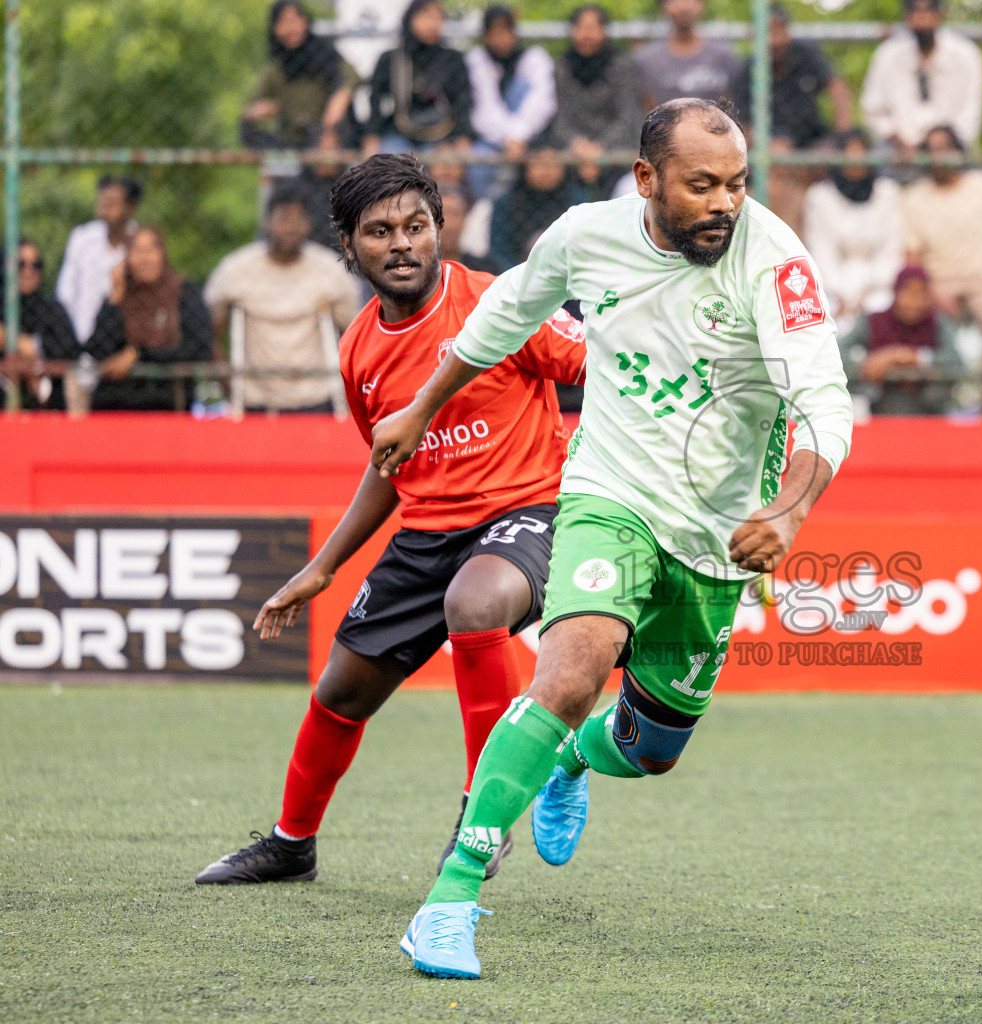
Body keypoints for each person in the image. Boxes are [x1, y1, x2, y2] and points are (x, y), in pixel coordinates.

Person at [368, 98, 852, 979]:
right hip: (609, 492)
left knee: (653, 749)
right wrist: (421, 405)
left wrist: (788, 511)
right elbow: (505, 315)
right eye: (702, 185)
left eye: (738, 183)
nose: (725, 203)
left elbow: (825, 401)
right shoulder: (586, 235)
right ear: (646, 180)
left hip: (718, 536)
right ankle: (451, 896)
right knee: (570, 669)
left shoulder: (773, 258)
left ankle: (573, 761)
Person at [194, 154, 588, 885]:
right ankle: (291, 844)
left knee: (474, 603)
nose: (401, 242)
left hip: (526, 514)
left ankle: (485, 813)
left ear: (440, 228)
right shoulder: (358, 351)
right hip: (426, 536)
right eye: (379, 231)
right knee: (340, 690)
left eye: (416, 225)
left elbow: (598, 369)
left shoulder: (500, 301)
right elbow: (389, 465)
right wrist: (322, 568)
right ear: (349, 247)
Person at [903, 125, 982, 416]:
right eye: (932, 150)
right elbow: (912, 258)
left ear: (960, 152)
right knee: (922, 322)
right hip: (937, 283)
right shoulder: (914, 197)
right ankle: (941, 403)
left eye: (945, 148)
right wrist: (931, 291)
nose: (939, 156)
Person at [203, 186, 361, 413]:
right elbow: (210, 334)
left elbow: (355, 336)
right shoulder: (235, 270)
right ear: (266, 222)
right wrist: (226, 383)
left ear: (309, 224)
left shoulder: (331, 271)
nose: (291, 227)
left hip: (317, 396)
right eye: (283, 218)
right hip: (254, 397)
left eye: (299, 218)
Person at [731, 3, 852, 233]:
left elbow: (837, 89)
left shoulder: (806, 54)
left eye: (779, 30)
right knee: (776, 171)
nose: (775, 40)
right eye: (767, 31)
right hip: (773, 156)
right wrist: (766, 143)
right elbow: (742, 129)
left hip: (813, 145)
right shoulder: (745, 71)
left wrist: (842, 136)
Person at [85, 227, 215, 412]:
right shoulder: (120, 297)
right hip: (116, 405)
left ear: (162, 254)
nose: (144, 258)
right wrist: (115, 296)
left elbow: (200, 349)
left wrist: (139, 356)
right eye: (137, 251)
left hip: (165, 403)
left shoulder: (183, 293)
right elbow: (97, 350)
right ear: (126, 258)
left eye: (151, 250)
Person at [802, 128, 906, 326]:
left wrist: (871, 289)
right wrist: (841, 294)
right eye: (850, 155)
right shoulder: (820, 195)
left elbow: (891, 247)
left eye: (861, 155)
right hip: (833, 286)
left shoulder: (888, 192)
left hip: (879, 286)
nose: (856, 162)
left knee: (881, 310)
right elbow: (820, 249)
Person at [860, 0, 982, 156]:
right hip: (897, 153)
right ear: (907, 17)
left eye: (927, 11)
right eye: (916, 12)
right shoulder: (888, 56)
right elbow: (873, 110)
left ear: (940, 15)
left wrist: (941, 142)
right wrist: (898, 140)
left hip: (951, 151)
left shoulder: (966, 56)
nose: (922, 19)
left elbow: (970, 114)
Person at [840, 264, 962, 415]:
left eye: (921, 294)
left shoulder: (937, 324)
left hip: (928, 412)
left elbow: (957, 362)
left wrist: (914, 357)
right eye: (908, 293)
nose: (914, 301)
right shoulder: (873, 322)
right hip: (881, 410)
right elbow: (836, 353)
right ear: (896, 292)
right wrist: (869, 364)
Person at [550, 5, 644, 198]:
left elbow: (627, 116)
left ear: (604, 31)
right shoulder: (562, 67)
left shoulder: (620, 66)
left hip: (615, 153)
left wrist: (599, 148)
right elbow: (558, 115)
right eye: (581, 27)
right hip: (572, 154)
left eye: (593, 27)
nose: (587, 34)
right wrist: (577, 145)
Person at [363, 0, 474, 161]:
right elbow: (376, 100)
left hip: (443, 133)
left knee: (446, 166)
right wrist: (371, 137)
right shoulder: (392, 59)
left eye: (438, 18)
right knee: (391, 167)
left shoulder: (452, 60)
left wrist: (462, 138)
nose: (432, 23)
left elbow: (463, 101)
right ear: (410, 19)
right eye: (426, 16)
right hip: (400, 132)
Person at [465, 5, 556, 198]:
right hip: (492, 139)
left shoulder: (534, 57)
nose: (500, 39)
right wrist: (509, 137)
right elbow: (484, 108)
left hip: (532, 136)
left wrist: (518, 136)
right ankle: (487, 209)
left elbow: (542, 102)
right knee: (478, 163)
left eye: (505, 31)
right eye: (494, 32)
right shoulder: (477, 60)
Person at [242, 1, 356, 151]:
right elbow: (252, 105)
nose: (291, 28)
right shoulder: (277, 67)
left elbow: (352, 77)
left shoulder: (324, 53)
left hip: (327, 134)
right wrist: (259, 110)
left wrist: (340, 98)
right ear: (275, 28)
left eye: (295, 20)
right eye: (284, 21)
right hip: (291, 138)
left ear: (305, 21)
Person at [56, 176, 141, 343]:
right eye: (103, 198)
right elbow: (66, 293)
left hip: (123, 342)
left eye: (113, 200)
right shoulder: (82, 238)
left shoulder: (140, 243)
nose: (105, 205)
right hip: (80, 338)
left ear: (131, 207)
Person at [487, 143, 589, 271]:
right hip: (516, 276)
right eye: (539, 163)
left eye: (553, 163)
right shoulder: (506, 201)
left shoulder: (578, 201)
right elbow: (498, 251)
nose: (546, 170)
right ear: (526, 166)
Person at [6, 239, 81, 411]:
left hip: (48, 403)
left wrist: (26, 345)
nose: (28, 271)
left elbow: (70, 349)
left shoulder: (52, 309)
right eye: (20, 265)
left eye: (36, 265)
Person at [633, 0, 742, 109]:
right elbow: (647, 109)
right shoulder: (647, 60)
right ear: (663, 6)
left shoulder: (723, 57)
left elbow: (731, 105)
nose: (683, 6)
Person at [439, 185, 500, 274]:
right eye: (442, 215)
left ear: (465, 220)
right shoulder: (421, 270)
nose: (449, 225)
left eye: (455, 214)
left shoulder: (484, 269)